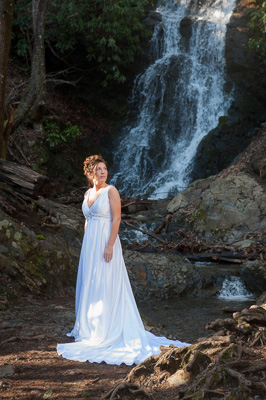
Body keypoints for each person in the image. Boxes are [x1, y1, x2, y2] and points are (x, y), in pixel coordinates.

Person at [57, 155, 190, 365]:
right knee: (90, 283)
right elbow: (87, 220)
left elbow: (117, 218)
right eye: (99, 169)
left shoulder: (111, 191)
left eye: (105, 169)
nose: (103, 172)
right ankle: (89, 326)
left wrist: (110, 244)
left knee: (106, 283)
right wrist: (86, 244)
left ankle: (107, 328)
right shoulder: (88, 193)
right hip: (90, 244)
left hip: (105, 241)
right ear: (90, 173)